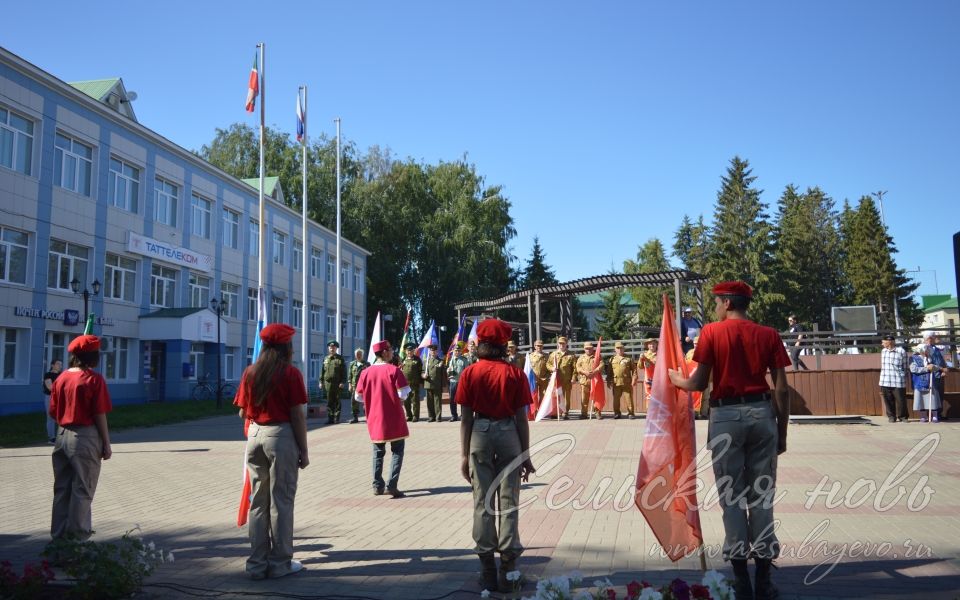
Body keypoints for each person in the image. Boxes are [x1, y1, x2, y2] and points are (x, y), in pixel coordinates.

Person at [668, 281, 791, 600]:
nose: (715, 307)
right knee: (762, 497)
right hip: (763, 415)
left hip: (725, 418)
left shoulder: (711, 332)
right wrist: (783, 430)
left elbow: (698, 382)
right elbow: (781, 388)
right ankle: (764, 579)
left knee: (731, 499)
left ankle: (741, 580)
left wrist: (675, 380)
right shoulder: (769, 334)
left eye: (717, 302)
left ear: (725, 303)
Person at [457, 319, 535, 593]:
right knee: (508, 502)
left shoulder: (470, 373)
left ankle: (487, 572)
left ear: (480, 344)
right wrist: (526, 455)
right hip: (508, 434)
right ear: (504, 344)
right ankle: (509, 573)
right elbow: (522, 419)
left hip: (479, 433)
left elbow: (465, 419)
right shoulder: (514, 374)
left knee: (482, 501)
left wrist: (464, 456)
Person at [234, 323, 309, 580]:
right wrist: (304, 451)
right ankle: (280, 564)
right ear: (286, 347)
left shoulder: (251, 372)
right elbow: (297, 416)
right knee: (281, 501)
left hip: (254, 436)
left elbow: (242, 412)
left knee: (258, 502)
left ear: (265, 346)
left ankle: (256, 564)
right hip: (281, 436)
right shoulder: (291, 374)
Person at [49, 335, 112, 542]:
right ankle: (76, 545)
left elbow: (54, 412)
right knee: (82, 491)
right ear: (92, 356)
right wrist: (106, 443)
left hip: (61, 436)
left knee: (62, 490)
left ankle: (57, 543)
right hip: (85, 437)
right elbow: (99, 413)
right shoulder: (93, 379)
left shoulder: (62, 378)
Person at [356, 340, 411, 498]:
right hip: (393, 417)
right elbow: (403, 393)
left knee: (378, 452)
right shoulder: (393, 370)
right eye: (391, 350)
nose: (392, 352)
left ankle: (377, 485)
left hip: (374, 417)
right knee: (397, 451)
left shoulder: (365, 372)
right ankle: (392, 485)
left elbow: (358, 396)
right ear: (385, 352)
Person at [910, 341, 945, 423]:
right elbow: (913, 369)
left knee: (932, 399)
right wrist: (927, 369)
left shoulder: (930, 358)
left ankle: (935, 416)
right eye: (927, 350)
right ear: (922, 350)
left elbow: (936, 367)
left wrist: (935, 367)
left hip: (931, 381)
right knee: (921, 399)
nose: (928, 351)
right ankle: (923, 416)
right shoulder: (913, 358)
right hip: (919, 382)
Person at [879, 335, 908, 423]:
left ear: (889, 342)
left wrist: (902, 375)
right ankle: (891, 417)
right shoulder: (883, 351)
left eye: (883, 342)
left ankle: (903, 417)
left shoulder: (901, 351)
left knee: (901, 400)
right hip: (885, 380)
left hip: (898, 380)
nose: (882, 343)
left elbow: (905, 366)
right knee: (888, 400)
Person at [547, 336, 576, 419]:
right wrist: (552, 368)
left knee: (567, 397)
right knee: (557, 396)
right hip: (557, 380)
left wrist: (573, 378)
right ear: (558, 344)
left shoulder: (571, 355)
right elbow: (548, 364)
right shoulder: (553, 354)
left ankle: (565, 412)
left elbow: (574, 368)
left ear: (566, 344)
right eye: (560, 343)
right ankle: (556, 412)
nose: (561, 345)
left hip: (567, 380)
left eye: (563, 343)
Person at [608, 341, 637, 419]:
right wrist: (608, 381)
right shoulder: (612, 359)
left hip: (626, 382)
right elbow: (609, 372)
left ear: (623, 349)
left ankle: (631, 413)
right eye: (618, 348)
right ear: (615, 349)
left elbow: (634, 370)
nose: (620, 350)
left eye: (621, 348)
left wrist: (634, 379)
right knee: (616, 399)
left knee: (629, 398)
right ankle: (617, 413)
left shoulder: (629, 358)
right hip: (616, 382)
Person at [320, 340, 347, 424]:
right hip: (328, 383)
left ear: (336, 348)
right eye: (330, 347)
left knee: (337, 401)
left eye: (334, 347)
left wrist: (343, 381)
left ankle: (336, 418)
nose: (332, 349)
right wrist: (321, 382)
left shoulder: (340, 358)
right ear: (328, 348)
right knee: (329, 401)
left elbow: (344, 372)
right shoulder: (325, 359)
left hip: (337, 383)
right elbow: (322, 371)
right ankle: (330, 418)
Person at [576, 342, 603, 419]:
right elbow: (578, 367)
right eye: (587, 348)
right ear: (584, 349)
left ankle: (597, 413)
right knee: (584, 398)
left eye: (590, 348)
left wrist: (595, 371)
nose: (588, 350)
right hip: (585, 381)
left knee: (596, 398)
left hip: (595, 380)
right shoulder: (581, 358)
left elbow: (602, 365)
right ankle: (584, 414)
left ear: (593, 349)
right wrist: (585, 372)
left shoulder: (597, 356)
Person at [401, 343, 424, 422]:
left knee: (415, 401)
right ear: (405, 352)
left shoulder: (417, 359)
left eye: (410, 351)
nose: (409, 352)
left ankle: (415, 416)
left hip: (415, 384)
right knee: (406, 401)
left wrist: (421, 382)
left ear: (413, 351)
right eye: (408, 351)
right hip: (405, 384)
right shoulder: (403, 360)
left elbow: (421, 370)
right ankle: (409, 415)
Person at [423, 344, 446, 422]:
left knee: (437, 401)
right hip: (428, 383)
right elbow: (422, 371)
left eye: (434, 351)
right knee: (429, 401)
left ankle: (438, 417)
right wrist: (423, 375)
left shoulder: (440, 361)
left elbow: (443, 374)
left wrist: (443, 384)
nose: (433, 352)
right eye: (431, 351)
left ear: (437, 352)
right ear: (429, 352)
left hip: (437, 384)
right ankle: (431, 417)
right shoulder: (426, 361)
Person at [43, 359, 63, 443]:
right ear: (52, 365)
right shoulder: (48, 375)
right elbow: (50, 387)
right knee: (50, 417)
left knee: (61, 417)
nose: (60, 366)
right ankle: (52, 438)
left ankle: (61, 437)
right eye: (58, 364)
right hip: (50, 397)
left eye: (61, 364)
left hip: (61, 397)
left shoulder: (62, 375)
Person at [348, 348, 370, 424]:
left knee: (365, 402)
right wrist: (349, 384)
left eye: (360, 354)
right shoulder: (352, 364)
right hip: (355, 386)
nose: (358, 356)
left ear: (362, 355)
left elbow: (369, 375)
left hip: (364, 386)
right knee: (354, 402)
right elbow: (350, 375)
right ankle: (355, 417)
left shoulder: (367, 364)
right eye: (357, 354)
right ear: (355, 355)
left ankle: (368, 417)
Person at [527, 340, 549, 414]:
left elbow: (549, 366)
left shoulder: (547, 355)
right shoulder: (530, 356)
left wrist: (548, 376)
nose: (539, 347)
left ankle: (541, 411)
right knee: (534, 396)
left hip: (544, 379)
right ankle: (535, 412)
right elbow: (527, 368)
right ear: (534, 346)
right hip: (534, 379)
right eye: (537, 345)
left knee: (543, 396)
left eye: (541, 345)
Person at [447, 342, 468, 422]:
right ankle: (454, 415)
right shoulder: (450, 359)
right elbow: (448, 369)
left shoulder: (464, 360)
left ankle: (463, 415)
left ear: (460, 351)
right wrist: (448, 371)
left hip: (461, 382)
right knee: (452, 400)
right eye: (455, 351)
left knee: (462, 400)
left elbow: (466, 371)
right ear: (453, 351)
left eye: (458, 351)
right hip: (452, 382)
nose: (457, 352)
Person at [639, 338, 658, 404]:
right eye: (650, 344)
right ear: (647, 346)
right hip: (648, 378)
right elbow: (640, 366)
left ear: (656, 345)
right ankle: (649, 412)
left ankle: (658, 413)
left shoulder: (661, 354)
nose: (652, 345)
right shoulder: (644, 355)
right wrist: (641, 359)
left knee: (659, 396)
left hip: (658, 378)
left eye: (653, 344)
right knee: (649, 395)